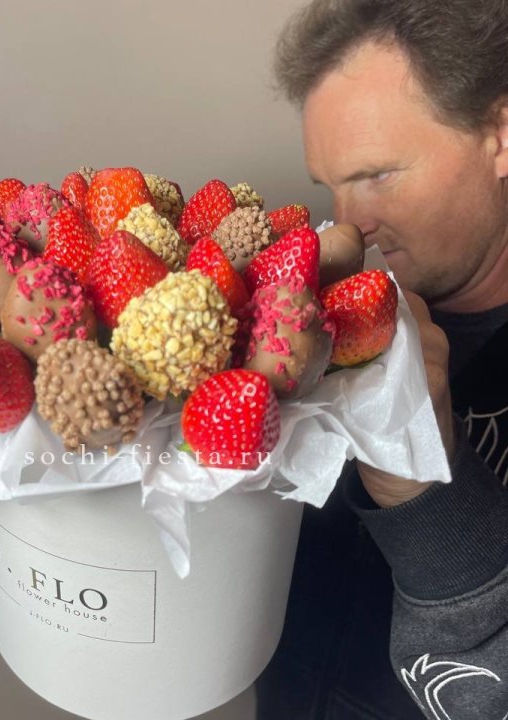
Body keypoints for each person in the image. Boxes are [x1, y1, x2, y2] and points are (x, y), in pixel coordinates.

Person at [254, 1, 508, 718]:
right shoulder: (319, 320)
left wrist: (426, 494)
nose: (346, 225)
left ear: (499, 134)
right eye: (329, 187)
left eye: (379, 175)